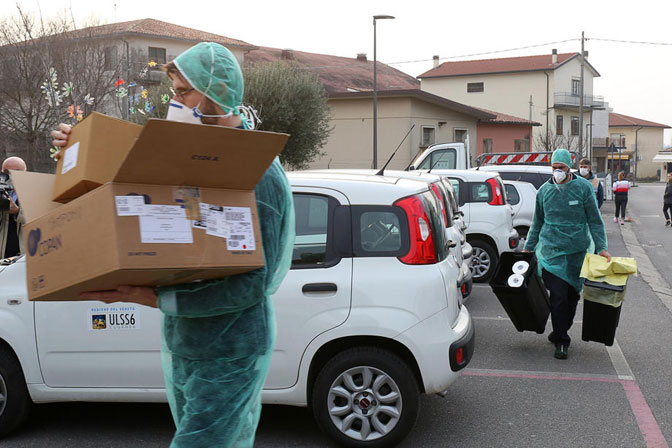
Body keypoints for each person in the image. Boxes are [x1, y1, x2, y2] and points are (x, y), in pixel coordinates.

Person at [51, 42, 295, 448]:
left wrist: (155, 298)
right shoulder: (189, 156)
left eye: (184, 93)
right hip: (187, 342)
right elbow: (117, 193)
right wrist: (73, 150)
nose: (174, 103)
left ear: (216, 92)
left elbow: (251, 284)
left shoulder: (259, 172)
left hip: (231, 348)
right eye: (174, 93)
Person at [524, 148, 610, 360]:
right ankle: (562, 341)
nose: (557, 171)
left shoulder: (583, 188)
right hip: (551, 253)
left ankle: (559, 330)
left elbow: (594, 220)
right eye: (554, 168)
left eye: (561, 167)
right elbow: (537, 223)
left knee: (572, 297)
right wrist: (528, 248)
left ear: (569, 167)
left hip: (577, 252)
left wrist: (601, 247)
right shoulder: (544, 192)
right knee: (559, 296)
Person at [1, 157, 27, 259]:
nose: (11, 175)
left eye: (17, 171)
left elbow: (40, 218)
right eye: (7, 172)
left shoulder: (34, 192)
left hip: (23, 254)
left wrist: (17, 211)